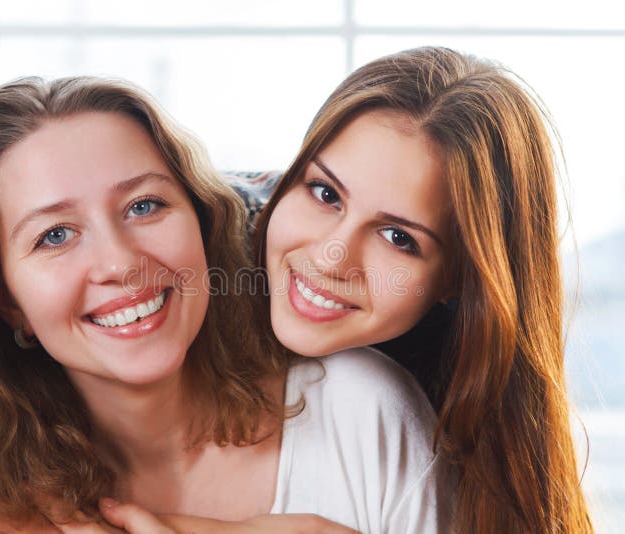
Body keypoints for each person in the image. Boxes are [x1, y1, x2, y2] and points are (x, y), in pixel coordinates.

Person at [0, 76, 447, 534]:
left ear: (204, 226)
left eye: (144, 206)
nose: (120, 263)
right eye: (54, 235)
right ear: (6, 302)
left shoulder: (362, 410)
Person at [247, 46, 594, 533]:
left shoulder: (407, 430)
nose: (332, 258)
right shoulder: (180, 266)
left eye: (398, 238)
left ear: (461, 279)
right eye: (326, 194)